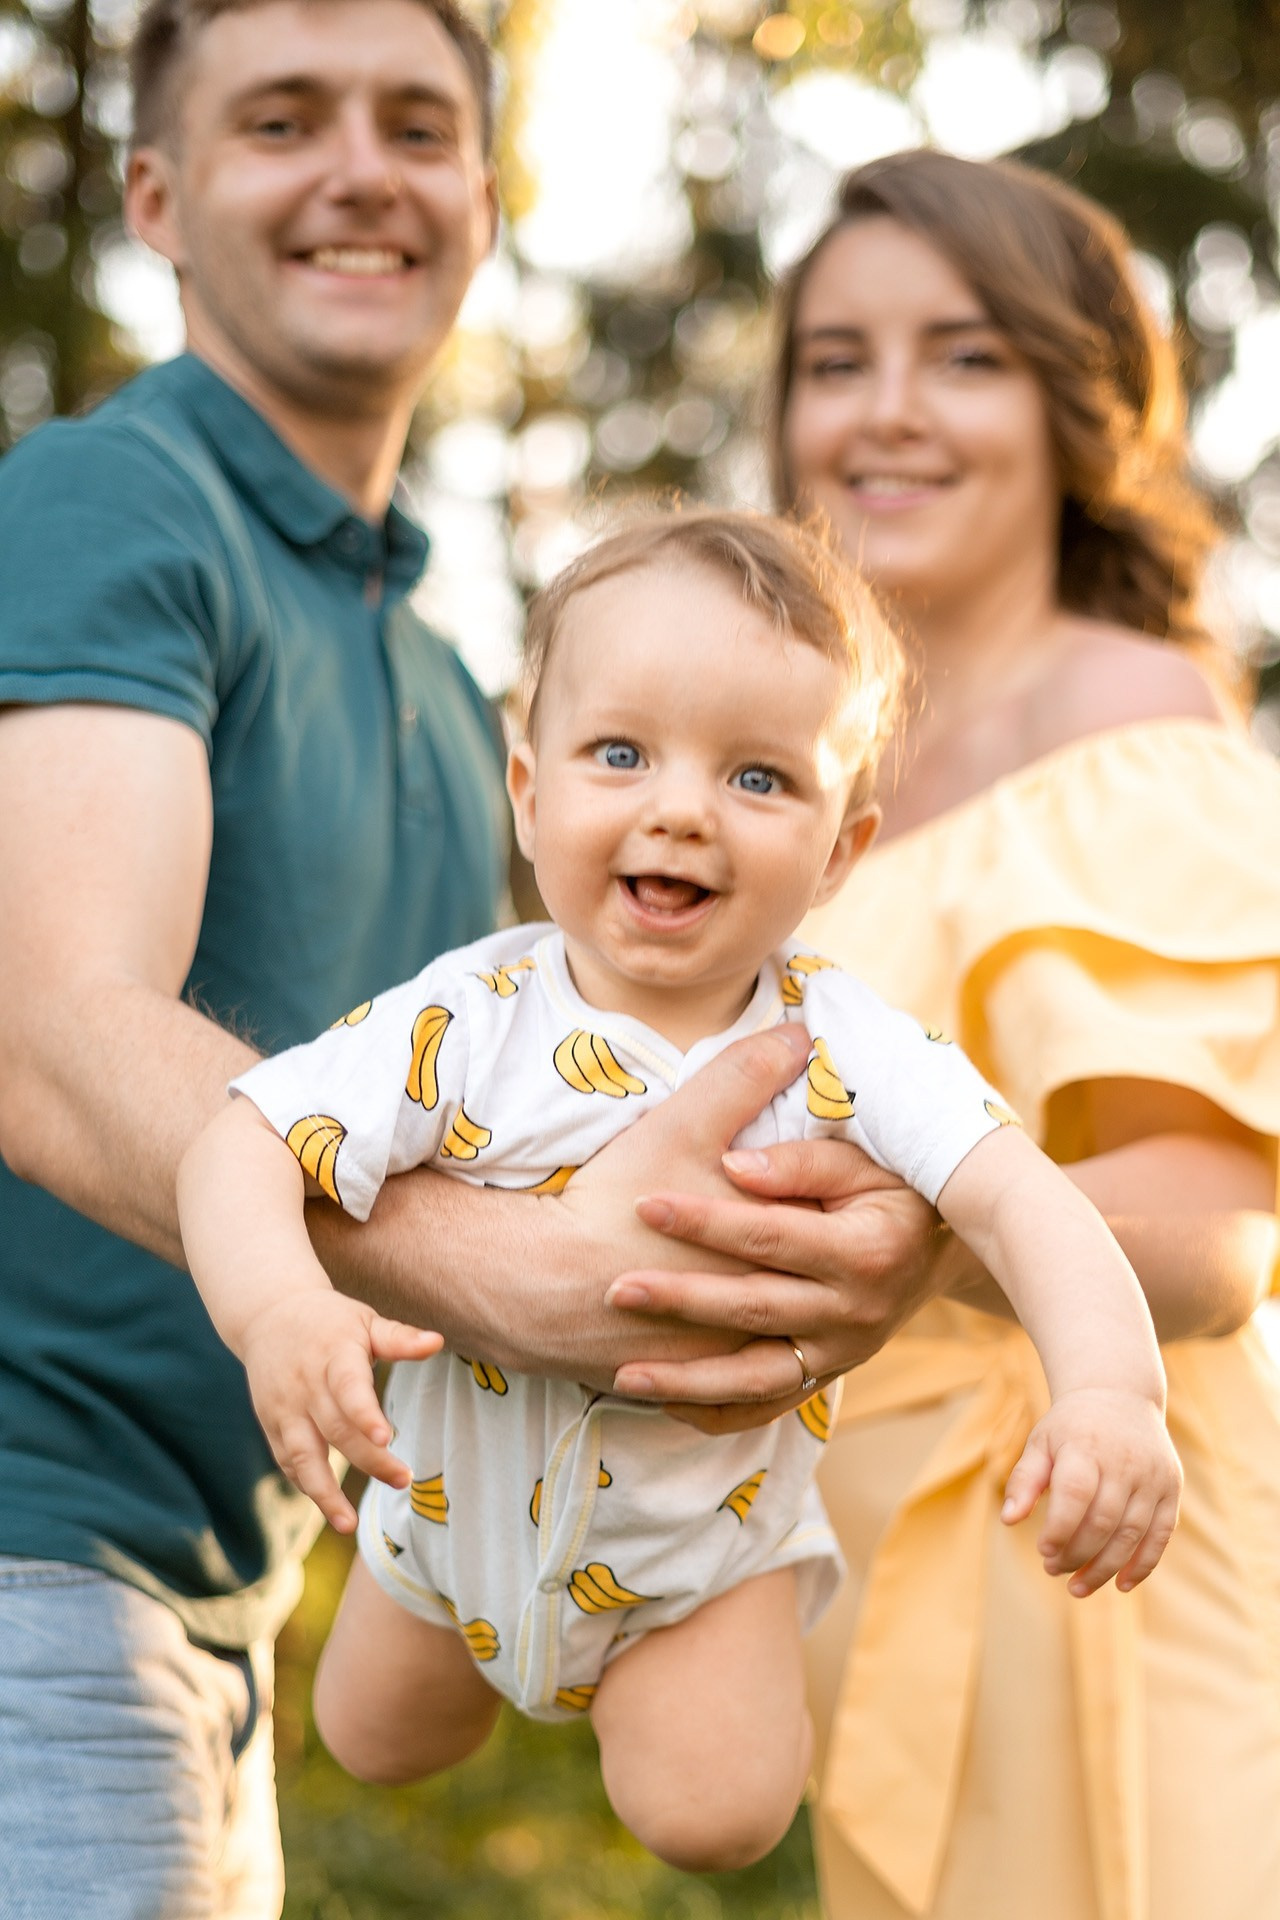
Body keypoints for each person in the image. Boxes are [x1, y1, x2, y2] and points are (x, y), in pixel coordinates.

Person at [0, 11, 957, 1915]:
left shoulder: (479, 710)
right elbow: (48, 1030)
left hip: (221, 1607)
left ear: (486, 203)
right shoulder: (114, 505)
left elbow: (583, 1109)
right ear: (159, 201)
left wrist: (869, 1250)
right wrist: (528, 1277)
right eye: (285, 119)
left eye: (419, 126)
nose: (364, 167)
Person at [176, 508, 1180, 1872]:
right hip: (448, 1526)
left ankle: (663, 1682)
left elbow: (1026, 1200)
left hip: (700, 1553)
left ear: (841, 850)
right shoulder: (467, 1017)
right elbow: (245, 1136)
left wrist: (1113, 1390)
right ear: (528, 791)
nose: (681, 807)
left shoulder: (847, 1045)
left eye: (760, 779)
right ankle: (458, 1674)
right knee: (372, 1737)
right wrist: (279, 1308)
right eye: (622, 753)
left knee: (716, 1814)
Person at [766, 150, 1280, 1920]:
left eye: (963, 356)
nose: (885, 414)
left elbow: (1209, 1246)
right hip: (876, 1590)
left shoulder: (1129, 719)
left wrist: (890, 1242)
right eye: (836, 361)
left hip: (1106, 1593)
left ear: (1076, 405)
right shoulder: (808, 796)